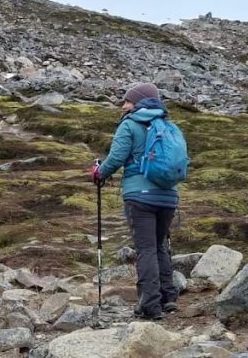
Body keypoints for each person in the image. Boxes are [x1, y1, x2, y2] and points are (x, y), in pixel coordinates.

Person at [92, 82, 179, 320]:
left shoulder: (130, 124)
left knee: (146, 249)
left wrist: (99, 173)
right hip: (168, 196)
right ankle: (168, 297)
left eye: (127, 101)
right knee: (160, 244)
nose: (123, 105)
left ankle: (149, 305)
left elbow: (116, 157)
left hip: (139, 196)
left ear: (138, 103)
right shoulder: (167, 124)